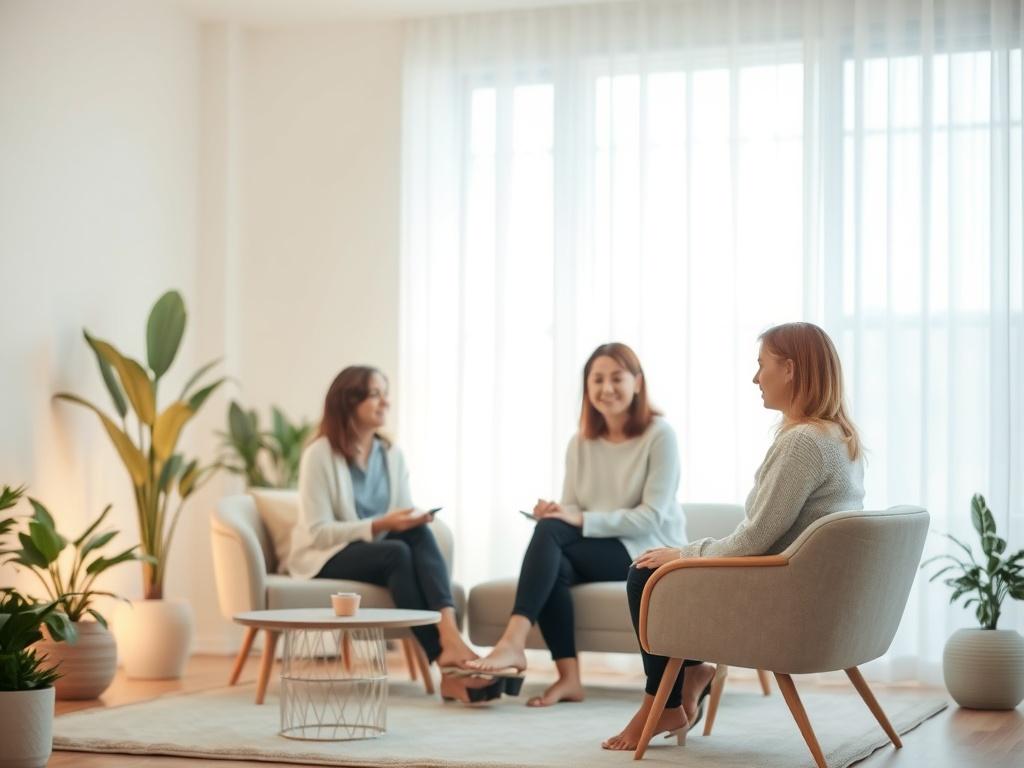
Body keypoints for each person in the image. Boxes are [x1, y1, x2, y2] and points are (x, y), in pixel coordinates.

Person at [602, 321, 866, 750]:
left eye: (762, 365)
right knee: (661, 569)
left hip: (780, 603)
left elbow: (754, 539)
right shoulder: (839, 437)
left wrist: (683, 554)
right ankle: (691, 675)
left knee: (645, 573)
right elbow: (765, 535)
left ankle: (664, 701)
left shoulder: (803, 443)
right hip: (814, 602)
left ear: (790, 369)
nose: (755, 378)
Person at [464, 342, 685, 708]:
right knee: (554, 552)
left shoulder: (660, 434)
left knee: (552, 534)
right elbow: (573, 506)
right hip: (598, 547)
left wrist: (574, 518)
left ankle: (514, 642)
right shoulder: (580, 442)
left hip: (646, 548)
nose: (606, 388)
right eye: (597, 379)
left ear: (637, 383)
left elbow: (651, 517)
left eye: (616, 378)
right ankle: (567, 678)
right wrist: (557, 510)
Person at [288, 365, 486, 703]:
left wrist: (411, 519)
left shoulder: (391, 454)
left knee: (418, 535)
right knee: (397, 553)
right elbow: (318, 533)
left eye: (385, 394)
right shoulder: (319, 455)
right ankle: (446, 663)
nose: (386, 402)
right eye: (375, 394)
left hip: (379, 550)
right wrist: (381, 524)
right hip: (327, 555)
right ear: (349, 402)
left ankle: (450, 635)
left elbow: (401, 511)